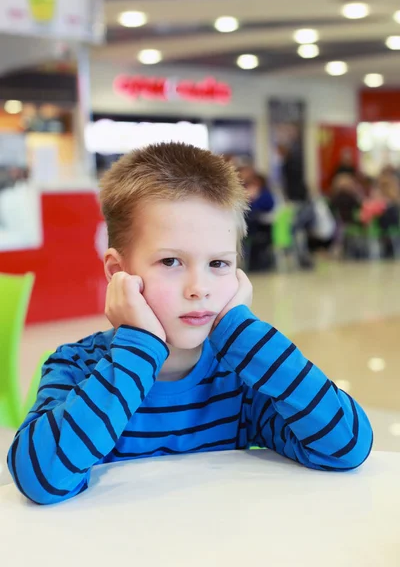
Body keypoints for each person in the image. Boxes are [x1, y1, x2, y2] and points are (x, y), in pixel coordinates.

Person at [8, 143, 373, 505]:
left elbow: (347, 447)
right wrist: (139, 345)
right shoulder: (76, 366)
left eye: (218, 264)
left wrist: (239, 331)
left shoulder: (242, 375)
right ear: (119, 274)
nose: (199, 289)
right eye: (170, 262)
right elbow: (41, 480)